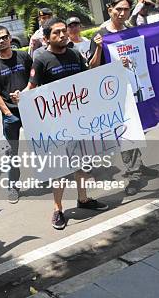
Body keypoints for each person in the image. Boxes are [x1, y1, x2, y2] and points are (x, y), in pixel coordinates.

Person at [25, 18, 109, 229]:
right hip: (55, 125)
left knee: (81, 163)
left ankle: (83, 199)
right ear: (46, 38)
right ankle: (57, 209)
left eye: (64, 31)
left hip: (78, 121)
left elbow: (88, 75)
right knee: (61, 168)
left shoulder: (74, 54)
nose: (62, 35)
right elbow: (31, 88)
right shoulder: (41, 59)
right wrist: (21, 97)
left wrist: (101, 50)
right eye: (57, 33)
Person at [89, 0, 157, 195]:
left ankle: (138, 165)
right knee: (125, 133)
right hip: (113, 94)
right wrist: (100, 48)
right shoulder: (100, 35)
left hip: (135, 89)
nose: (122, 13)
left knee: (137, 131)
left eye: (126, 9)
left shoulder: (130, 32)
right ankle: (133, 174)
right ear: (109, 9)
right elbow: (92, 67)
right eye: (118, 9)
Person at [0, 26, 33, 203]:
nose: (1, 41)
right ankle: (13, 185)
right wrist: (6, 112)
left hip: (30, 110)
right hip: (10, 115)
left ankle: (53, 175)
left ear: (10, 37)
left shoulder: (23, 56)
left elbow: (34, 79)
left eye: (4, 37)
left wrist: (27, 94)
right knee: (11, 152)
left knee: (43, 143)